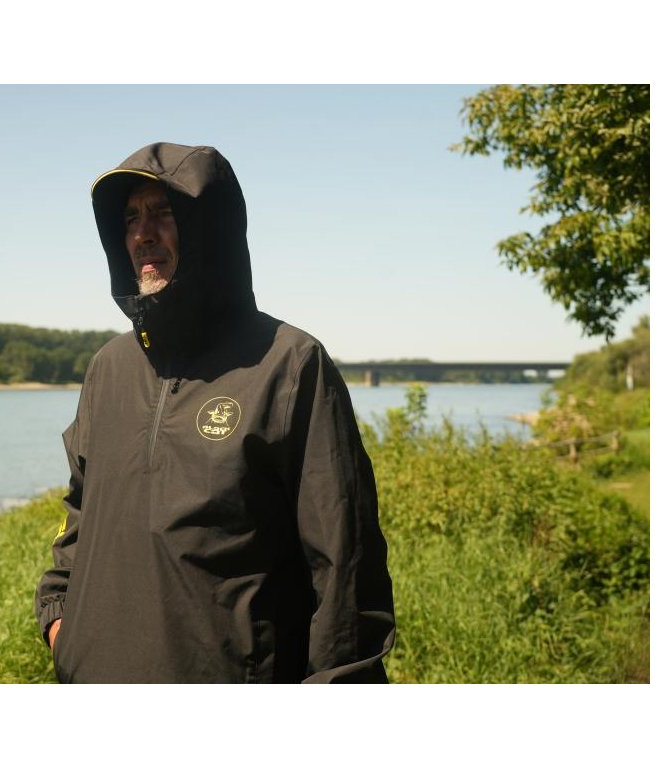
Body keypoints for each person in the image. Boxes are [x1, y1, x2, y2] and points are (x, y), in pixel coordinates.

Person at [34, 142, 395, 683]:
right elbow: (82, 512)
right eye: (130, 218)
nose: (142, 233)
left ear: (211, 227)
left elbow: (345, 567)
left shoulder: (289, 365)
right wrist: (61, 622)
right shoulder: (109, 368)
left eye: (163, 212)